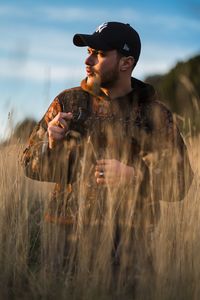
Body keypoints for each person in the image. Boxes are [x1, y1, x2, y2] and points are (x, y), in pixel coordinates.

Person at [21, 22, 193, 297]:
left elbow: (181, 183)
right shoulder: (67, 102)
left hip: (130, 245)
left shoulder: (155, 114)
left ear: (126, 63)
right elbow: (29, 164)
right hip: (66, 242)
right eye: (89, 51)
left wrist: (134, 176)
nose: (87, 61)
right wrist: (51, 144)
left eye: (99, 54)